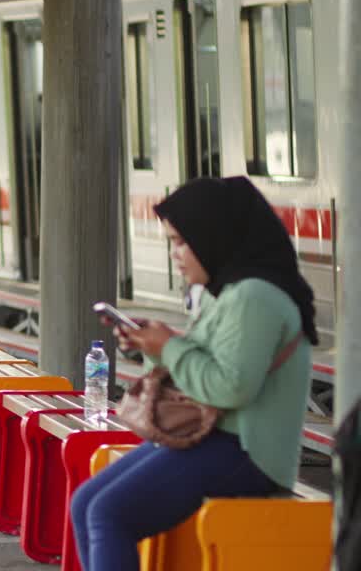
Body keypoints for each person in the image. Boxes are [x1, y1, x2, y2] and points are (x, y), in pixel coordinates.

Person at [69, 176, 316, 570]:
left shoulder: (255, 297)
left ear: (213, 236)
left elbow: (231, 388)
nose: (175, 255)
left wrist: (167, 346)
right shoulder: (227, 293)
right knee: (86, 503)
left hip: (248, 451)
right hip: (214, 437)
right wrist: (152, 347)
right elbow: (195, 370)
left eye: (181, 242)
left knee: (109, 513)